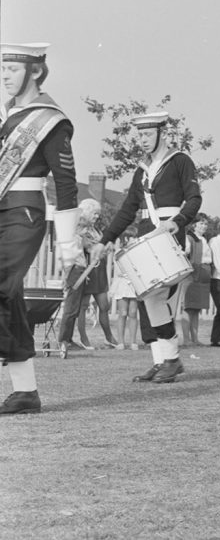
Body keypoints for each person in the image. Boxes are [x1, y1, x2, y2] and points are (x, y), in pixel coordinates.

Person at [0, 42, 79, 415]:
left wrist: (67, 244)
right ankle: (25, 391)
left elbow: (65, 184)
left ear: (35, 72)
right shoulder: (9, 116)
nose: (4, 76)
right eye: (2, 69)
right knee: (9, 297)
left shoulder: (50, 120)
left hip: (24, 213)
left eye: (12, 69)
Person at [99, 111, 202, 383]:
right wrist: (105, 238)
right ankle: (161, 361)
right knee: (148, 300)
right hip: (146, 236)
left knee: (157, 298)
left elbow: (194, 199)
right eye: (140, 135)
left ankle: (172, 359)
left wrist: (177, 222)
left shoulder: (180, 162)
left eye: (147, 134)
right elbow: (127, 210)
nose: (142, 140)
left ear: (163, 134)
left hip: (170, 235)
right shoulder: (141, 171)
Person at [57, 199, 115, 355]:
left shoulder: (85, 228)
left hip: (81, 267)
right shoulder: (78, 227)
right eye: (94, 213)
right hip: (74, 268)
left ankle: (67, 340)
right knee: (71, 307)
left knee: (74, 307)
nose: (96, 217)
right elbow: (86, 246)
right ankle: (63, 340)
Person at [182, 216, 212, 346]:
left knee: (196, 309)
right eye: (201, 224)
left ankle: (195, 338)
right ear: (194, 225)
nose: (204, 226)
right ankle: (186, 339)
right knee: (188, 307)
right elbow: (186, 252)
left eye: (205, 224)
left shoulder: (204, 240)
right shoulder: (189, 238)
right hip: (193, 274)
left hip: (203, 274)